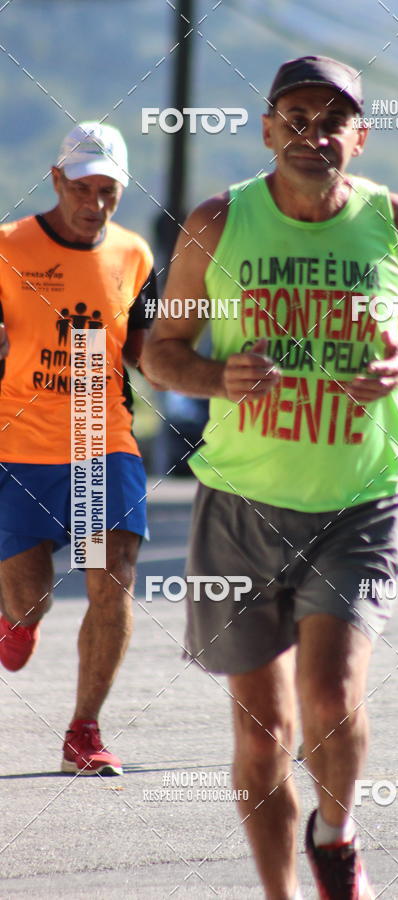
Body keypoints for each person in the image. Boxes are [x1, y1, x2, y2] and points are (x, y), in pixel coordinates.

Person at [142, 55, 398, 900]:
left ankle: (337, 832)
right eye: (297, 117)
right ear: (269, 127)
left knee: (329, 694)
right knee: (263, 729)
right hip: (241, 502)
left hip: (358, 499)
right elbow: (159, 354)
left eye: (332, 119)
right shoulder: (215, 223)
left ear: (360, 135)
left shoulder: (392, 220)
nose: (314, 133)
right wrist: (218, 379)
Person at [0, 122, 156, 776]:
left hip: (102, 440)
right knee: (31, 597)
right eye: (83, 186)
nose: (95, 202)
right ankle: (19, 619)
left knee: (111, 577)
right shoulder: (8, 247)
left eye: (109, 190)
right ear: (57, 179)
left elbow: (149, 355)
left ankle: (84, 734)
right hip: (21, 446)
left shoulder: (135, 255)